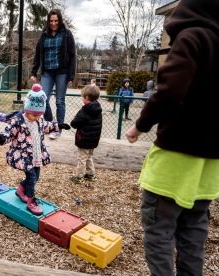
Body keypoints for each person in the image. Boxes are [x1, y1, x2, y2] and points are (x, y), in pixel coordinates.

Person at [125, 0, 219, 275]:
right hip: (209, 165)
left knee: (159, 231)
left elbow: (169, 90)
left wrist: (140, 125)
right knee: (193, 231)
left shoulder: (193, 37)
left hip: (176, 157)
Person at [0, 84, 71, 215]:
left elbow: (47, 126)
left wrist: (58, 126)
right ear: (26, 110)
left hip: (36, 155)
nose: (36, 117)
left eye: (39, 115)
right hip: (24, 156)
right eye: (33, 115)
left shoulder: (39, 120)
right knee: (31, 178)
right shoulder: (18, 121)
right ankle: (31, 202)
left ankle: (20, 190)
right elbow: (9, 132)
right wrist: (2, 138)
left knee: (35, 178)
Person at [30, 9, 76, 140]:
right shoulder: (44, 35)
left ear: (60, 20)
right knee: (43, 98)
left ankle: (59, 128)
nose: (54, 23)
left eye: (56, 21)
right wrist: (34, 70)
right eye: (51, 21)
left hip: (62, 72)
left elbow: (73, 55)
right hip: (47, 72)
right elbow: (38, 53)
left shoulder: (66, 34)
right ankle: (50, 124)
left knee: (60, 101)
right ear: (48, 21)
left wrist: (71, 75)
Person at [69, 85, 102, 184]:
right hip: (93, 140)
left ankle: (79, 177)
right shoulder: (97, 108)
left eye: (83, 97)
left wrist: (79, 112)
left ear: (87, 97)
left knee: (82, 158)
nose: (82, 98)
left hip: (84, 139)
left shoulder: (85, 110)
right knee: (89, 157)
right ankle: (90, 174)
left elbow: (74, 123)